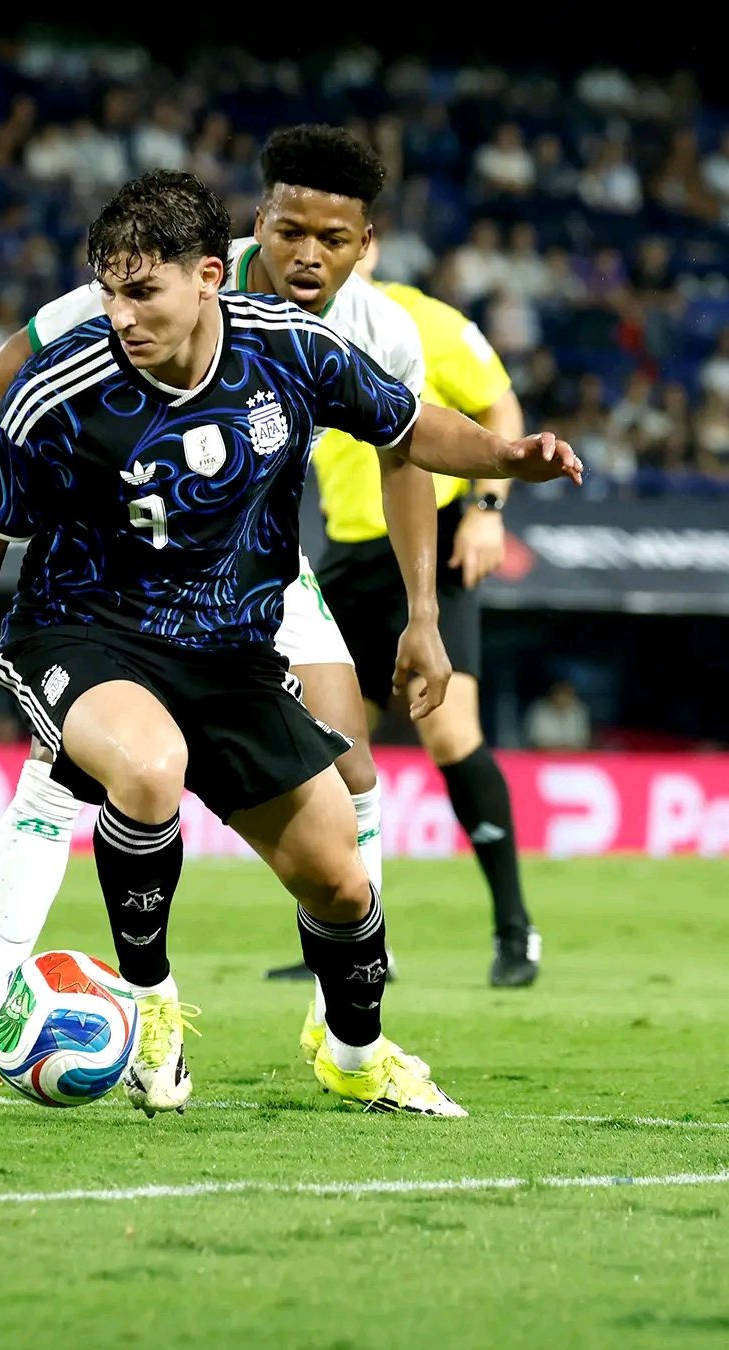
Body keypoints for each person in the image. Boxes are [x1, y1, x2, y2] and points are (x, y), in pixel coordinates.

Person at [0, 170, 579, 1118]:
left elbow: (410, 428)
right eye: (111, 292)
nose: (121, 315)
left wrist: (505, 458)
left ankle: (356, 1054)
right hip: (85, 630)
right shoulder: (61, 391)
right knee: (149, 768)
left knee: (340, 878)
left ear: (208, 275)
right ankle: (150, 1006)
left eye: (144, 292)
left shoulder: (291, 348)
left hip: (233, 649)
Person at [267, 233, 549, 999]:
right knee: (330, 751)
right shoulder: (287, 325)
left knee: (451, 734)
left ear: (369, 246)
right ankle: (352, 936)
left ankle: (515, 928)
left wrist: (488, 510)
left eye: (339, 237)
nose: (320, 254)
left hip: (429, 545)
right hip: (348, 558)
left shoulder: (420, 319)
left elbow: (498, 403)